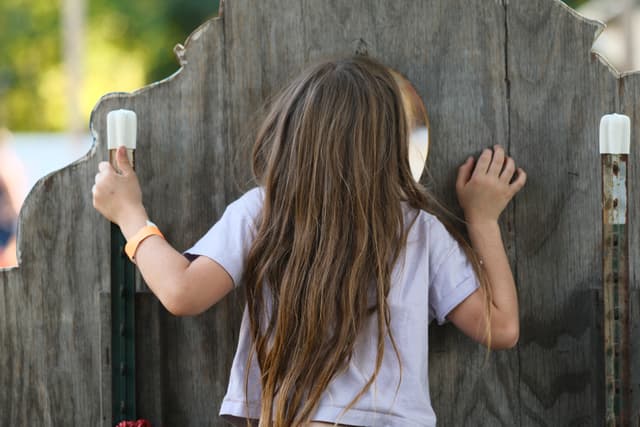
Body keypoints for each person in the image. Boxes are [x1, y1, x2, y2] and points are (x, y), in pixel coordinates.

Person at [93, 55, 526, 427]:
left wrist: (131, 215)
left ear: (291, 135)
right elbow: (501, 327)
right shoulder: (417, 228)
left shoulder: (263, 211)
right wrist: (482, 220)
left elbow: (181, 292)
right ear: (390, 146)